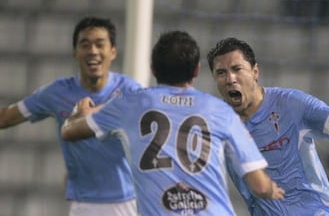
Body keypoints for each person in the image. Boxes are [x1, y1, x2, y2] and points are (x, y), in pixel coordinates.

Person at [60, 30, 286, 216]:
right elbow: (259, 186)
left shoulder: (128, 105)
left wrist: (79, 112)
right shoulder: (220, 111)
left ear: (153, 70)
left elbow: (70, 132)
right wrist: (271, 190)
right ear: (197, 70)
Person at [207, 37, 329, 216]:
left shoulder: (292, 104)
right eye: (221, 72)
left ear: (255, 72)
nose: (230, 78)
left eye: (237, 69)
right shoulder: (218, 123)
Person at [0, 16, 140, 216]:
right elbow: (5, 117)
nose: (93, 51)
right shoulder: (57, 92)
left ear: (113, 52)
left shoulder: (129, 91)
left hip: (128, 202)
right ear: (75, 52)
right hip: (84, 205)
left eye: (100, 44)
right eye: (85, 44)